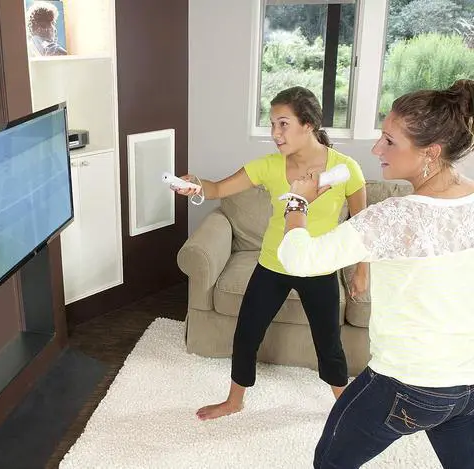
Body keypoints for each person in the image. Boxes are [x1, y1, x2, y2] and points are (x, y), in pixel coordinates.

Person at [277, 79, 474, 468]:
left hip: (406, 384)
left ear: (431, 152)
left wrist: (297, 201)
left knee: (330, 462)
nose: (376, 149)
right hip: (466, 385)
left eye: (389, 141)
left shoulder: (393, 217)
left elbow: (300, 260)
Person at [176, 86, 368, 421]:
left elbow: (363, 225)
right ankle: (234, 401)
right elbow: (218, 188)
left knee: (328, 344)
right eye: (272, 125)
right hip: (273, 264)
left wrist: (362, 270)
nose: (275, 134)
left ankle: (345, 408)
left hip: (317, 267)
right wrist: (194, 184)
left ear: (308, 124)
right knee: (247, 334)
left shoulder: (345, 168)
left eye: (283, 124)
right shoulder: (268, 166)